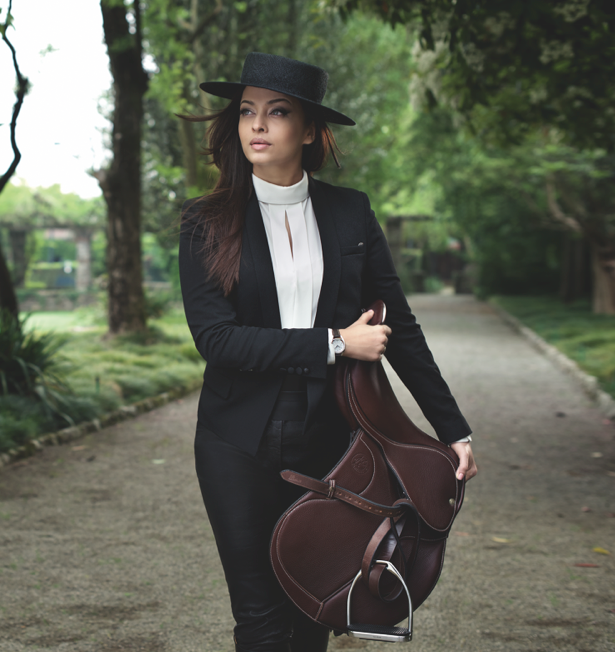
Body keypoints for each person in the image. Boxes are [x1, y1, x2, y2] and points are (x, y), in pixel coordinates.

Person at [178, 52, 478, 652]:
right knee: (260, 619)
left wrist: (453, 429)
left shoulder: (350, 213)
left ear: (311, 130)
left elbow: (402, 327)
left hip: (331, 438)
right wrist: (336, 342)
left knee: (316, 609)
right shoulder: (205, 221)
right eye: (247, 111)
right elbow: (218, 340)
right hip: (235, 440)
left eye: (277, 112)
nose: (257, 124)